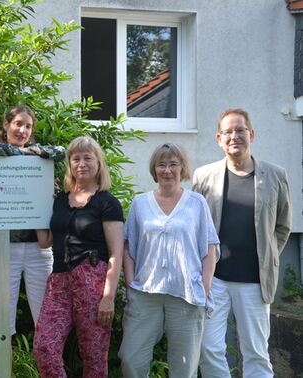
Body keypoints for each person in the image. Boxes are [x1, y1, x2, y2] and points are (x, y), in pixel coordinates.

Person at [193, 108, 292, 377]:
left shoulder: (275, 175)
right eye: (228, 131)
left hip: (254, 282)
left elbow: (283, 226)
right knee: (209, 349)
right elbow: (195, 226)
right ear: (218, 138)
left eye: (240, 130)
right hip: (215, 281)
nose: (234, 136)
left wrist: (267, 257)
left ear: (251, 134)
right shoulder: (203, 177)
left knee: (256, 353)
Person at [118, 143, 219, 378]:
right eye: (161, 164)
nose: (167, 170)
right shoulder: (140, 203)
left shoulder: (197, 203)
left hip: (186, 294)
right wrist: (131, 282)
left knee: (184, 367)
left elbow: (210, 248)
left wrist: (204, 287)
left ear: (182, 168)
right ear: (154, 169)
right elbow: (128, 246)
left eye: (173, 164)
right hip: (145, 292)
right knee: (131, 359)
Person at [0, 105, 65, 336]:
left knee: (46, 321)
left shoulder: (40, 154)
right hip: (4, 247)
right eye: (18, 124)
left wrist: (23, 154)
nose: (22, 130)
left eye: (28, 126)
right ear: (6, 124)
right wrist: (28, 155)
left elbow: (60, 151)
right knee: (2, 323)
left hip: (38, 250)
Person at [33, 136, 124, 377]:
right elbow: (45, 241)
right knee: (44, 346)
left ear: (98, 163)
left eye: (87, 158)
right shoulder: (60, 201)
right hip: (59, 281)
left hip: (93, 281)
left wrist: (108, 297)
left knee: (94, 356)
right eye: (75, 158)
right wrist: (32, 207)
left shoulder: (107, 202)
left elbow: (116, 254)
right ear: (70, 165)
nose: (81, 163)